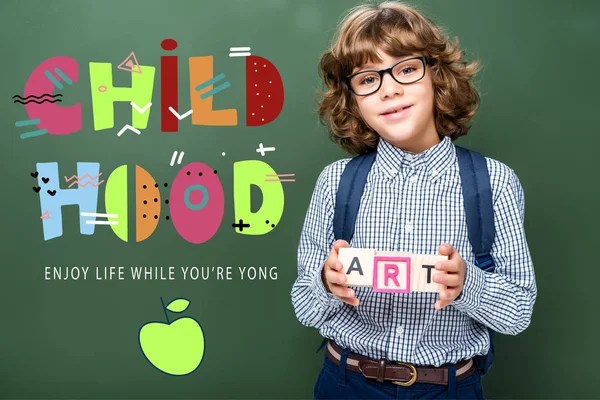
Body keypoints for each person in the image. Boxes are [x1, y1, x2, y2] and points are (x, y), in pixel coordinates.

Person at [291, 1, 537, 399]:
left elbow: (519, 312)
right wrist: (325, 283)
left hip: (449, 388)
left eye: (406, 69)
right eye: (368, 79)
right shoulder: (336, 183)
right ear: (353, 99)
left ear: (437, 77)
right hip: (346, 383)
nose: (389, 88)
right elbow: (304, 305)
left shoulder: (494, 183)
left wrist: (466, 284)